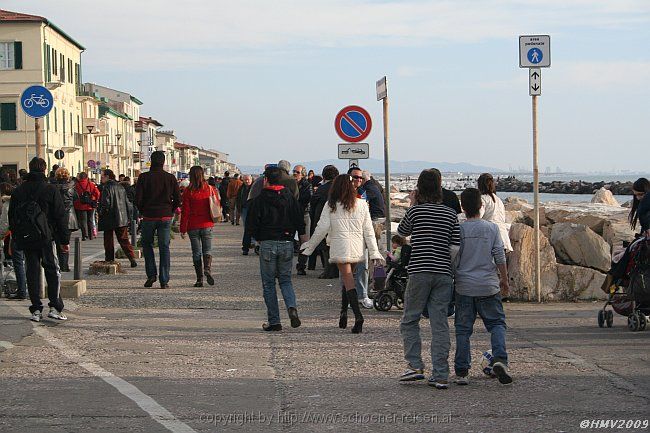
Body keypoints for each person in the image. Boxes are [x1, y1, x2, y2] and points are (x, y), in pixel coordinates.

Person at [397, 168, 460, 389]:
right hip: (443, 273)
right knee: (439, 323)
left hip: (420, 271)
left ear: (420, 188)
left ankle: (415, 366)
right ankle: (441, 374)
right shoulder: (450, 214)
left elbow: (402, 232)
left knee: (410, 319)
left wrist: (412, 204)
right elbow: (455, 247)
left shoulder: (416, 212)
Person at [301, 174, 384, 334]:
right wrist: (373, 252)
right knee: (349, 278)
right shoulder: (361, 204)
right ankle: (343, 312)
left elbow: (321, 228)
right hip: (357, 247)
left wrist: (310, 246)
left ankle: (358, 316)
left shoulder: (331, 205)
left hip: (340, 246)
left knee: (347, 279)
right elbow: (368, 231)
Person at [453, 188, 512, 385]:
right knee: (496, 324)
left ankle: (462, 372)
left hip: (464, 286)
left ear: (463, 207)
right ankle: (500, 359)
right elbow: (499, 255)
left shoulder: (459, 229)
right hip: (488, 285)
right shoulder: (492, 228)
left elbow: (454, 256)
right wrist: (504, 279)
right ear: (481, 206)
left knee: (463, 330)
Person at [8, 157, 69, 322]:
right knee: (52, 270)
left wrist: (17, 235)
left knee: (32, 271)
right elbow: (60, 216)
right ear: (44, 169)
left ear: (29, 169)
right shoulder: (50, 189)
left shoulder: (19, 191)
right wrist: (64, 240)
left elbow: (12, 216)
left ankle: (36, 309)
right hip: (46, 237)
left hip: (27, 238)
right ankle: (55, 306)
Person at [246, 166, 307, 331]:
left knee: (268, 284)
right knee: (286, 281)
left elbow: (251, 223)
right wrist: (302, 238)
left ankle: (274, 322)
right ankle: (291, 307)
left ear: (266, 180)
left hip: (267, 243)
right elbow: (299, 219)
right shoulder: (290, 198)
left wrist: (255, 239)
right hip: (287, 243)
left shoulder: (259, 199)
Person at [135, 151, 180, 289]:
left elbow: (138, 199)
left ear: (151, 161)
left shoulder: (144, 177)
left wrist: (143, 211)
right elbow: (178, 199)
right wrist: (170, 211)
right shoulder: (170, 178)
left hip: (149, 216)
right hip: (165, 216)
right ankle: (164, 280)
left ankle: (151, 275)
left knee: (147, 245)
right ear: (163, 162)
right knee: (164, 247)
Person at [180, 166, 218, 287]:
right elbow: (217, 203)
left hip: (193, 225)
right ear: (202, 175)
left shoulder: (187, 191)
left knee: (196, 253)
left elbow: (185, 211)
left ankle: (199, 279)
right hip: (207, 224)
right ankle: (207, 268)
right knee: (207, 250)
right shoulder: (210, 189)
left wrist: (182, 229)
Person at [348, 167, 379, 308]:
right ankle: (349, 296)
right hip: (347, 234)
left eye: (360, 178)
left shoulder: (362, 193)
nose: (359, 180)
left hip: (361, 234)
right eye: (355, 177)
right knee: (347, 268)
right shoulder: (343, 194)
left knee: (363, 266)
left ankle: (363, 295)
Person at [99, 169, 137, 267]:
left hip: (109, 217)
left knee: (108, 240)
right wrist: (128, 216)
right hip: (121, 217)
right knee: (124, 239)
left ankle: (110, 259)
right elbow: (127, 203)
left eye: (102, 176)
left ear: (107, 176)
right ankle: (132, 258)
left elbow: (105, 203)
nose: (101, 178)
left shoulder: (106, 187)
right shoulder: (121, 187)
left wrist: (101, 212)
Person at [307, 165, 339, 278]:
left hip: (322, 219)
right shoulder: (340, 189)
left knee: (326, 247)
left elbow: (313, 204)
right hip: (337, 221)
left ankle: (329, 271)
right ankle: (334, 271)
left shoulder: (322, 189)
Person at [477, 173, 513, 253]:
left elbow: (478, 217)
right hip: (503, 237)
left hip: (490, 238)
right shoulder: (498, 200)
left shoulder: (482, 199)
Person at [52, 167, 78, 272]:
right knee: (66, 241)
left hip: (57, 216)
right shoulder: (72, 187)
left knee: (57, 241)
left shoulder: (53, 188)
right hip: (69, 216)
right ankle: (65, 264)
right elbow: (76, 198)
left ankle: (59, 263)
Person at [294, 165, 313, 275]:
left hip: (304, 215)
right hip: (292, 214)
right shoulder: (291, 184)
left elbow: (307, 198)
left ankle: (301, 266)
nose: (295, 173)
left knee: (305, 241)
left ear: (303, 174)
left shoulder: (307, 185)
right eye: (294, 171)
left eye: (297, 172)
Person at [74, 172, 100, 240]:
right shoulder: (91, 184)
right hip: (90, 204)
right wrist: (94, 199)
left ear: (79, 177)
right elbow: (97, 193)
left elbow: (74, 195)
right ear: (86, 177)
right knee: (90, 219)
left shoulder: (76, 185)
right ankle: (91, 235)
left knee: (83, 221)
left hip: (80, 205)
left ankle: (85, 235)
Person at [239, 175, 255, 255]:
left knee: (253, 225)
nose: (247, 181)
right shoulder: (241, 188)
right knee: (246, 226)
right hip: (244, 208)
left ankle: (252, 242)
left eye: (248, 180)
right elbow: (238, 198)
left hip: (253, 209)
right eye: (245, 180)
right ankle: (247, 245)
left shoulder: (255, 187)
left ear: (251, 179)